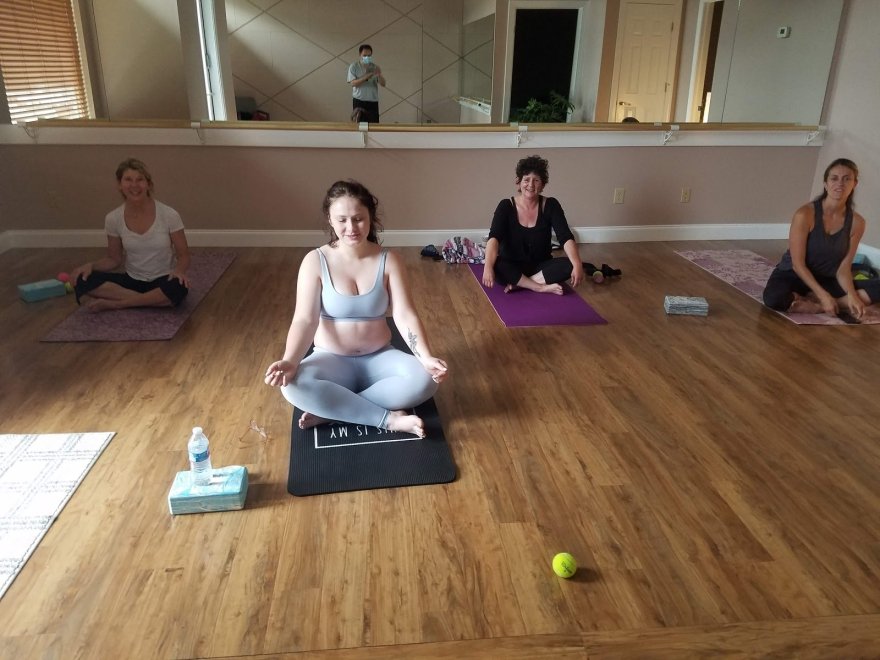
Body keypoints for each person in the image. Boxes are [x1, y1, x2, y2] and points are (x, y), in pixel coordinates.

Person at [264, 180, 448, 438]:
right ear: (329, 219)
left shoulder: (389, 260)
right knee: (292, 386)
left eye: (358, 219)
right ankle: (388, 420)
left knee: (426, 380)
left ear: (371, 218)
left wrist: (426, 357)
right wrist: (290, 360)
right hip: (331, 359)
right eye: (342, 220)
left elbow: (405, 314)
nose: (351, 228)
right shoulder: (315, 261)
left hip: (379, 357)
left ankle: (332, 410)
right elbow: (305, 320)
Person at [762, 158, 879, 318]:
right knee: (773, 298)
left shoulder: (857, 223)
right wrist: (824, 295)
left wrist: (851, 294)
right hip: (795, 274)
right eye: (834, 178)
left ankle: (826, 304)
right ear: (825, 184)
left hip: (828, 278)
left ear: (854, 184)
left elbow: (843, 269)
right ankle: (827, 302)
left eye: (847, 179)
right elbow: (798, 265)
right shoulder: (805, 214)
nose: (840, 184)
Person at [71, 158, 190, 312]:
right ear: (120, 185)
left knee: (179, 287)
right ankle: (151, 300)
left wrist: (179, 271)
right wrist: (90, 266)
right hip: (132, 280)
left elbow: (184, 255)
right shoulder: (113, 218)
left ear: (148, 184)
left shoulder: (169, 214)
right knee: (82, 279)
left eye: (140, 180)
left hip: (163, 279)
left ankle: (118, 303)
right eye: (128, 180)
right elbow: (114, 259)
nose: (134, 185)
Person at [482, 155, 595, 295]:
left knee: (570, 264)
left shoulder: (551, 205)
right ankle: (538, 286)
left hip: (540, 266)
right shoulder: (505, 206)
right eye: (526, 180)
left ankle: (522, 284)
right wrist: (487, 267)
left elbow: (565, 237)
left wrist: (577, 264)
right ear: (518, 182)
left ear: (542, 185)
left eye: (536, 180)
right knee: (496, 265)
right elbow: (494, 238)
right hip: (511, 265)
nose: (531, 185)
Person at [347, 44, 385, 123]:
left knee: (374, 126)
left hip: (373, 101)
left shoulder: (375, 67)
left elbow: (383, 84)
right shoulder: (354, 66)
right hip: (359, 100)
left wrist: (379, 75)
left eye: (369, 56)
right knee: (359, 125)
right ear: (360, 55)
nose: (367, 58)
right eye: (364, 55)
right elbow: (353, 83)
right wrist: (367, 76)